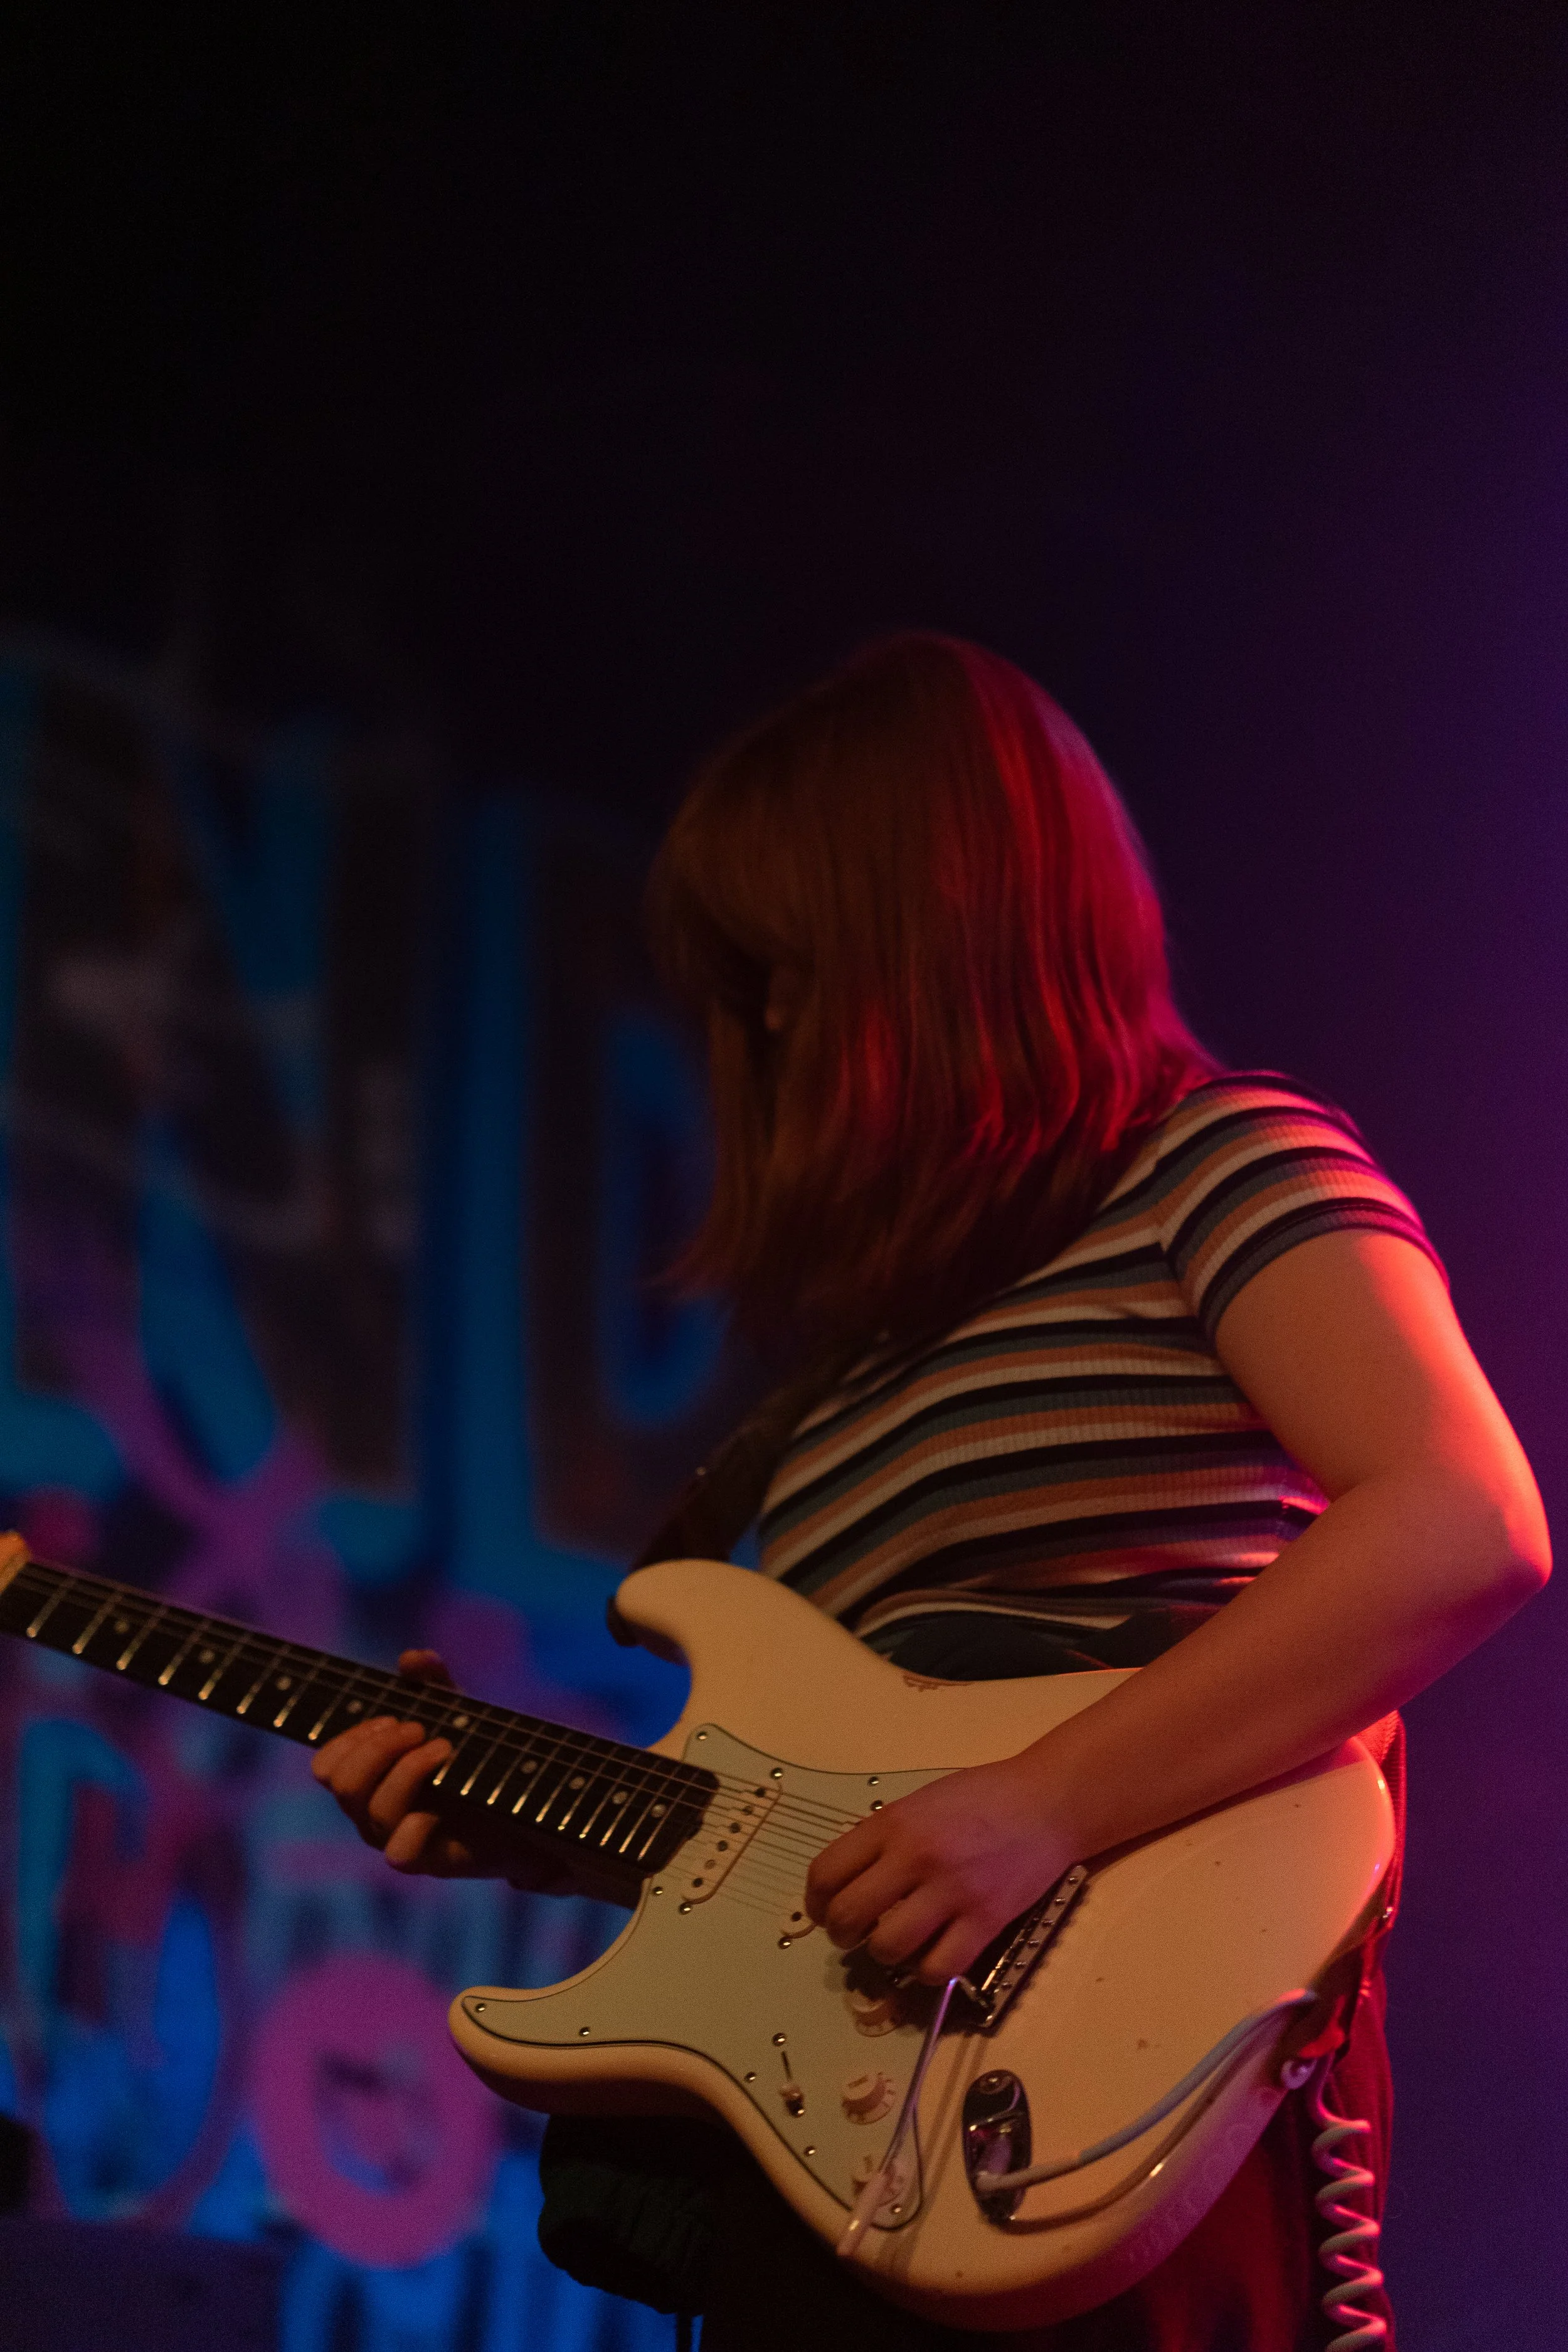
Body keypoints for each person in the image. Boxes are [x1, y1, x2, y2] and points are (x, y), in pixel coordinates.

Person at [312, 635, 1549, 2349]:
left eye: (787, 965)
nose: (762, 1024)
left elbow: (1457, 1518)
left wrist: (1038, 1805)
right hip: (861, 2166)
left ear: (929, 933)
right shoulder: (830, 1406)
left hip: (1142, 2116)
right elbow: (847, 1824)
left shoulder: (1216, 1161)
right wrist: (522, 1820)